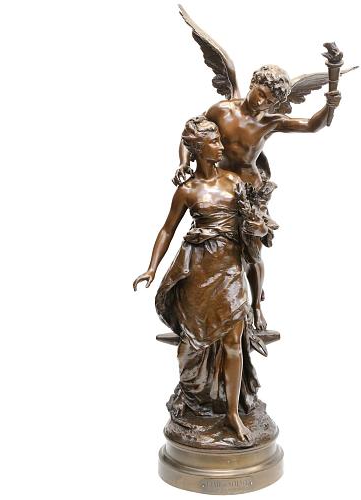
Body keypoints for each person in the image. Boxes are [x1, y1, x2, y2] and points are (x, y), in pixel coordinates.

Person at [133, 116, 273, 441]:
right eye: (214, 142)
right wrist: (152, 267)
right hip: (197, 272)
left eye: (220, 140)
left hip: (230, 271)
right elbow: (167, 229)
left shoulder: (234, 182)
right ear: (198, 149)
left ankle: (233, 414)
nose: (221, 146)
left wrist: (258, 228)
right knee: (191, 345)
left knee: (233, 343)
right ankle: (196, 400)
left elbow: (253, 222)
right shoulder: (187, 190)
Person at [173, 65, 341, 330]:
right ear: (253, 84)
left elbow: (311, 125)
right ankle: (209, 300)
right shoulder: (221, 110)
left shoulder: (269, 121)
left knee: (252, 251)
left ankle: (255, 307)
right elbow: (191, 135)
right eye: (260, 93)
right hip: (216, 187)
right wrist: (184, 163)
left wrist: (329, 105)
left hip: (249, 193)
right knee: (212, 244)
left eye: (269, 100)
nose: (262, 102)